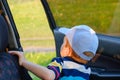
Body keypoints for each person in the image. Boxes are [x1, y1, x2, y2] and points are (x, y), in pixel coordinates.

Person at [9, 25, 99, 80]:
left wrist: (24, 62)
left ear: (67, 49)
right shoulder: (86, 70)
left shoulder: (61, 63)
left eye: (64, 42)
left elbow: (48, 76)